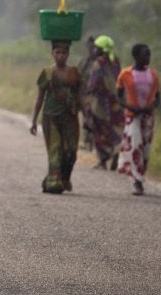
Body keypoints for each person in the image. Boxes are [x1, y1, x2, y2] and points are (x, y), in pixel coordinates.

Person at [29, 40, 82, 194]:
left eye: (64, 53)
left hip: (70, 117)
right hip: (50, 117)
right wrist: (34, 120)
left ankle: (64, 178)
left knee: (71, 152)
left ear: (68, 54)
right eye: (57, 52)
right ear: (52, 53)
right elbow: (40, 98)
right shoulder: (47, 73)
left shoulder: (74, 72)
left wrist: (86, 116)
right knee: (54, 150)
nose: (60, 56)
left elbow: (81, 95)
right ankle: (53, 182)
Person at [116, 44, 160, 195]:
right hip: (132, 115)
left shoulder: (153, 74)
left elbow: (157, 98)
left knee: (145, 150)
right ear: (136, 56)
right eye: (145, 54)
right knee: (135, 146)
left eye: (149, 54)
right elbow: (119, 95)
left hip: (147, 116)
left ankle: (140, 176)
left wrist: (151, 107)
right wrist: (129, 106)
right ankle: (137, 181)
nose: (148, 57)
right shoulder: (125, 74)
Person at [82, 35, 124, 170]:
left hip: (100, 103)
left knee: (99, 130)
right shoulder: (116, 61)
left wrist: (86, 99)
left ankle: (103, 160)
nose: (94, 50)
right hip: (115, 102)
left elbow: (92, 84)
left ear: (101, 49)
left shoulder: (98, 63)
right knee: (115, 129)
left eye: (96, 48)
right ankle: (116, 153)